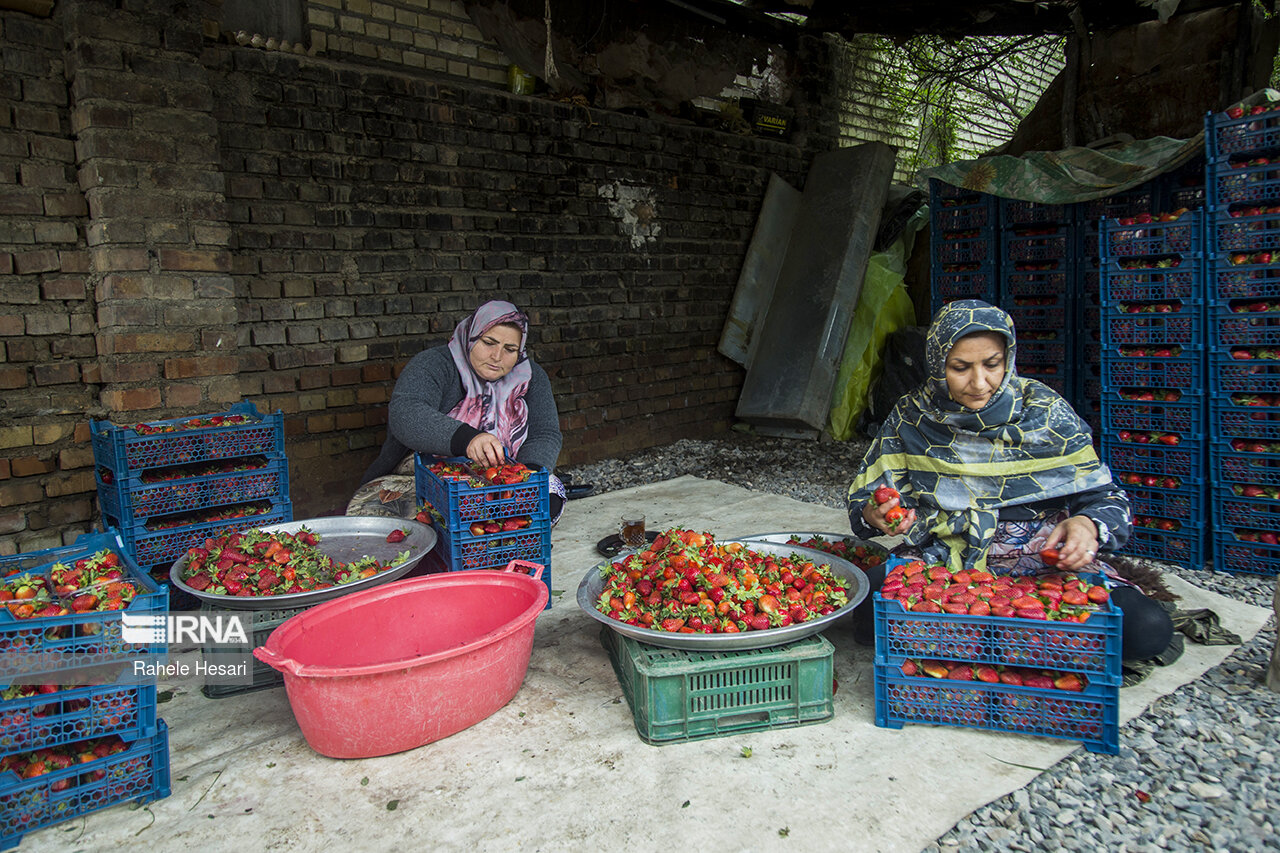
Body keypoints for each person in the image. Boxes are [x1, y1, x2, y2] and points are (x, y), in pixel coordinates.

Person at [846, 299, 1173, 661]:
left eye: (992, 365)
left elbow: (1106, 498)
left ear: (1009, 359)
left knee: (1147, 629)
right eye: (960, 368)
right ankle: (1024, 642)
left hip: (1044, 561)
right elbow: (871, 498)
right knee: (865, 610)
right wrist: (877, 513)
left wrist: (1087, 525)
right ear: (937, 365)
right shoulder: (912, 416)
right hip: (947, 555)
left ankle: (981, 637)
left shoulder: (1044, 411)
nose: (979, 383)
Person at [352, 299, 567, 523]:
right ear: (472, 336)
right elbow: (405, 412)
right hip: (429, 476)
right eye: (489, 342)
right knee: (379, 510)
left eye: (510, 349)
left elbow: (545, 433)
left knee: (549, 496)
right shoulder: (435, 364)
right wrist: (468, 439)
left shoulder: (531, 377)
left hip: (501, 477)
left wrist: (526, 476)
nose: (497, 356)